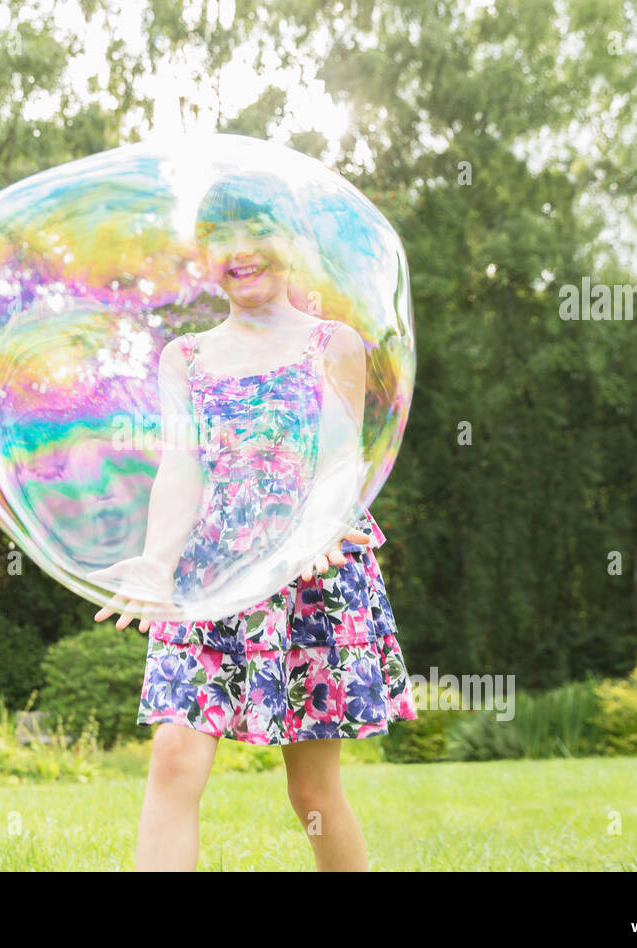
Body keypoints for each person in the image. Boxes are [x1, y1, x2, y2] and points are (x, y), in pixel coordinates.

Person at [91, 171, 418, 872]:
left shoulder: (336, 345)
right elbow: (181, 470)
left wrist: (321, 528)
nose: (238, 250)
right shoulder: (186, 357)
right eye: (220, 237)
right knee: (175, 755)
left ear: (292, 241)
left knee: (312, 788)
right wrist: (155, 563)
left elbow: (338, 463)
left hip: (312, 569)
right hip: (210, 573)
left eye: (256, 230)